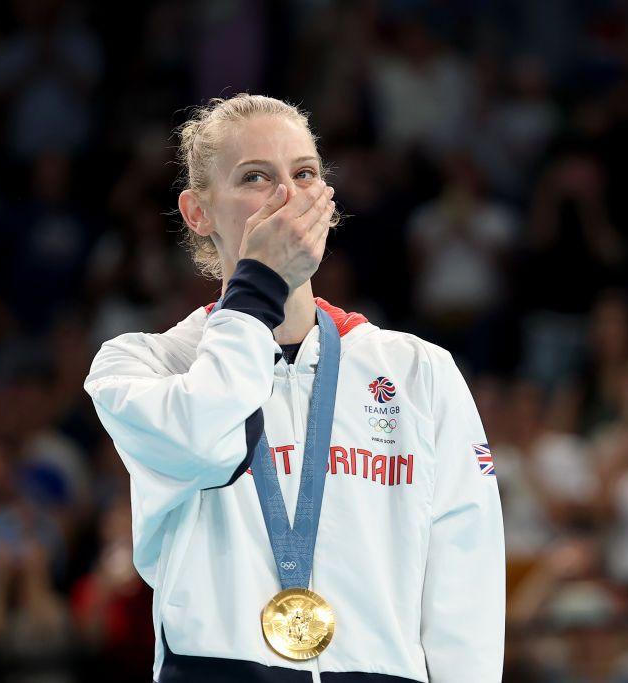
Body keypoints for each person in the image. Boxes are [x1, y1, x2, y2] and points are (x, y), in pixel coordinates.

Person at [84, 94, 506, 682]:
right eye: (255, 177)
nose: (286, 195)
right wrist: (256, 287)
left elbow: (466, 581)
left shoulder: (419, 371)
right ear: (198, 212)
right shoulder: (141, 366)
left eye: (304, 174)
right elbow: (208, 441)